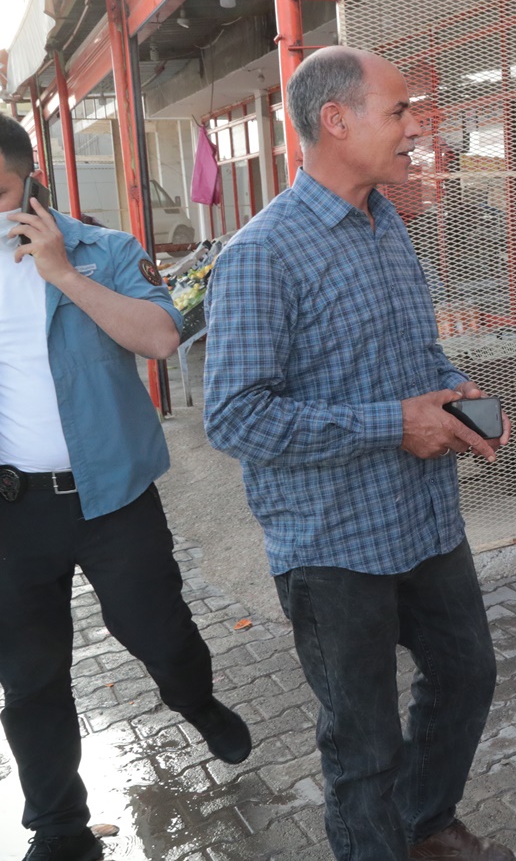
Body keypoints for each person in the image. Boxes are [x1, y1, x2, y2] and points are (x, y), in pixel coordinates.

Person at [204, 47, 514, 861]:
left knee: (467, 673)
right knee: (363, 743)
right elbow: (234, 417)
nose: (416, 127)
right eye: (400, 110)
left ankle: (425, 822)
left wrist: (453, 393)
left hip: (423, 517)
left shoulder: (388, 223)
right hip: (334, 545)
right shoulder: (262, 254)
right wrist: (392, 424)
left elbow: (415, 352)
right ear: (335, 121)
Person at [0, 114, 250, 861]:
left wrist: (63, 276)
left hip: (112, 497)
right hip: (13, 511)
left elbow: (163, 337)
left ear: (32, 178)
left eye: (0, 192)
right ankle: (59, 827)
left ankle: (195, 701)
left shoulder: (102, 250)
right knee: (29, 677)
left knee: (157, 632)